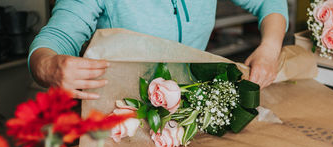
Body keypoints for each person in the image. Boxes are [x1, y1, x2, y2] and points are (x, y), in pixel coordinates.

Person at [29, 0, 288, 100]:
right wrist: (47, 66)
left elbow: (268, 1)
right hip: (119, 112)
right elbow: (57, 37)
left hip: (190, 103)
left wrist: (270, 48)